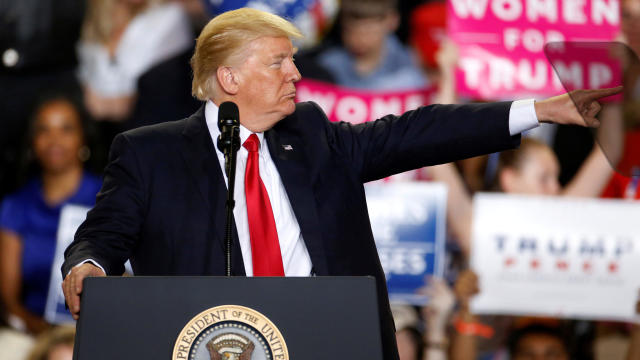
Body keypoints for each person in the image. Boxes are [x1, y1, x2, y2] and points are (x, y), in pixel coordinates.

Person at [60, 8, 620, 360]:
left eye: (295, 61)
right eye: (279, 63)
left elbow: (419, 132)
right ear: (230, 78)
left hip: (326, 339)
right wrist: (87, 265)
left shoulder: (313, 134)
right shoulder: (149, 151)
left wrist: (539, 109)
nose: (297, 76)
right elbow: (104, 234)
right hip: (207, 342)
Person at [0, 94, 102, 335]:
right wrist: (46, 337)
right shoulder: (16, 205)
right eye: (43, 130)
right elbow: (9, 302)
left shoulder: (109, 199)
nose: (54, 139)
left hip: (101, 329)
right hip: (33, 333)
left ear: (83, 138)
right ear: (32, 142)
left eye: (66, 129)